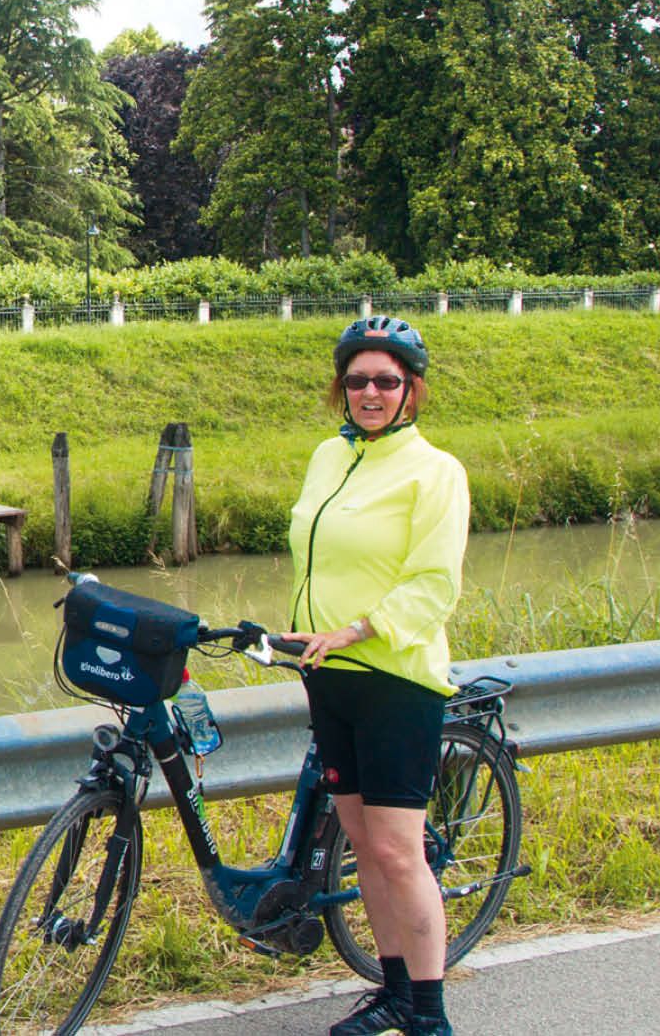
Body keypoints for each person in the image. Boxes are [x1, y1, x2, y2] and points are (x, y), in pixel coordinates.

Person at [281, 315, 469, 1036]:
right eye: (357, 380)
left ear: (411, 390)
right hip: (327, 675)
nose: (370, 393)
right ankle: (392, 991)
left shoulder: (435, 472)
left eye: (386, 381)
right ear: (341, 389)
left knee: (397, 850)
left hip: (395, 677)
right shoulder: (329, 457)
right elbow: (319, 558)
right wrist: (298, 630)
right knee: (363, 848)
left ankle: (429, 1014)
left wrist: (357, 628)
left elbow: (432, 585)